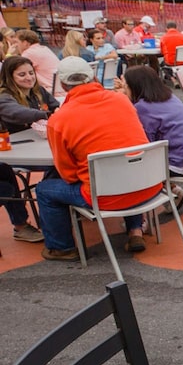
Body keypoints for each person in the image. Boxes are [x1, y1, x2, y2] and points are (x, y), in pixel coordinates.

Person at [35, 57, 159, 260]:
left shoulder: (59, 120)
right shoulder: (122, 100)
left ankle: (61, 247)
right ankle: (134, 230)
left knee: (44, 190)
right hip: (149, 185)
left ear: (63, 85)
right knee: (126, 167)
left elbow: (68, 175)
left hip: (105, 196)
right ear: (93, 77)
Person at [0, 56, 56, 243]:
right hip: (15, 151)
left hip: (41, 145)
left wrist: (58, 111)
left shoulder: (38, 91)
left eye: (31, 73)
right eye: (22, 74)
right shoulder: (4, 96)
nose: (29, 78)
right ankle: (21, 225)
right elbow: (17, 113)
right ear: (10, 77)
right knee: (5, 171)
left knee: (60, 162)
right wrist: (47, 114)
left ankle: (60, 213)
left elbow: (56, 106)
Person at [119, 65, 183, 176]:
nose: (124, 90)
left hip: (179, 165)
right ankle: (170, 185)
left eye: (126, 87)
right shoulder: (170, 97)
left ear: (134, 87)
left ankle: (164, 185)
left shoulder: (142, 108)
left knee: (127, 163)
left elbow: (146, 145)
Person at [14, 29, 61, 98]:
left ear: (25, 43)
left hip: (48, 91)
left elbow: (12, 69)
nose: (15, 45)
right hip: (57, 88)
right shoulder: (44, 48)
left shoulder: (29, 53)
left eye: (16, 42)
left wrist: (8, 54)